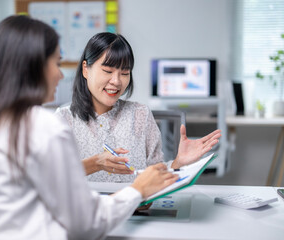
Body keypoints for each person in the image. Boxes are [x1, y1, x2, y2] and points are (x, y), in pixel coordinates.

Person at [0, 15, 179, 240]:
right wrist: (137, 190)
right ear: (31, 68)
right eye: (56, 62)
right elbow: (86, 222)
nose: (60, 75)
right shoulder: (45, 126)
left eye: (124, 73)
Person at [56, 32, 221, 183]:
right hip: (83, 214)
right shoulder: (63, 119)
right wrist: (95, 163)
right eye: (107, 71)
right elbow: (49, 178)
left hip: (135, 211)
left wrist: (179, 162)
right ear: (86, 69)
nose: (117, 81)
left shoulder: (141, 114)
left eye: (125, 73)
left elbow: (155, 176)